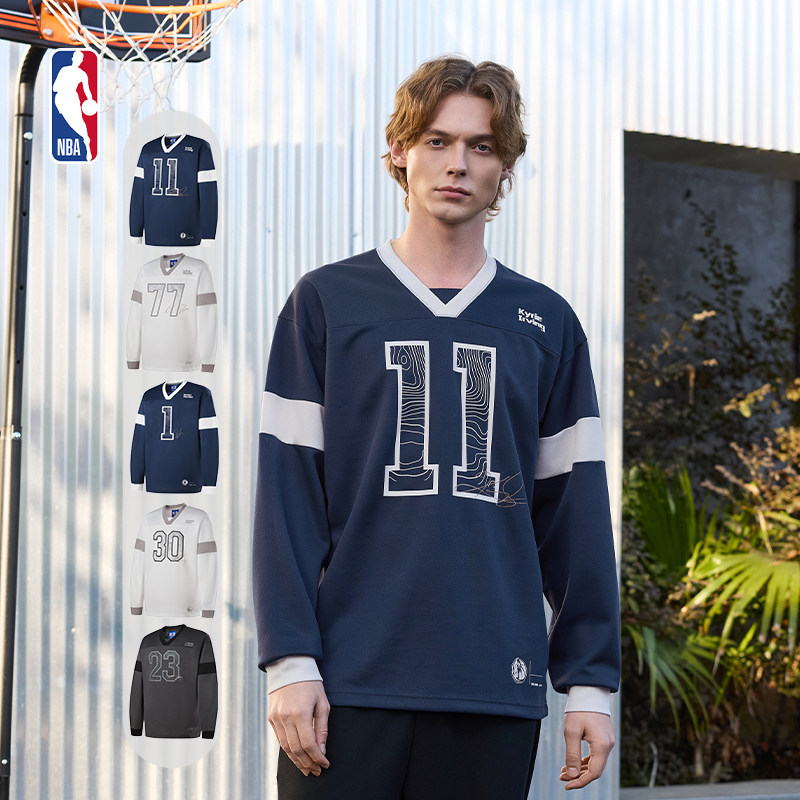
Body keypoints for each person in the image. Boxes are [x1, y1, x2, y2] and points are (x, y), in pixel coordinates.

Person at [252, 55, 620, 800]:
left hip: (493, 683)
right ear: (400, 151)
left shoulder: (545, 323)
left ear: (504, 166)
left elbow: (575, 516)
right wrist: (289, 662)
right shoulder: (326, 304)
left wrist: (589, 683)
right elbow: (287, 500)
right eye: (437, 140)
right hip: (347, 685)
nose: (458, 164)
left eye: (481, 146)